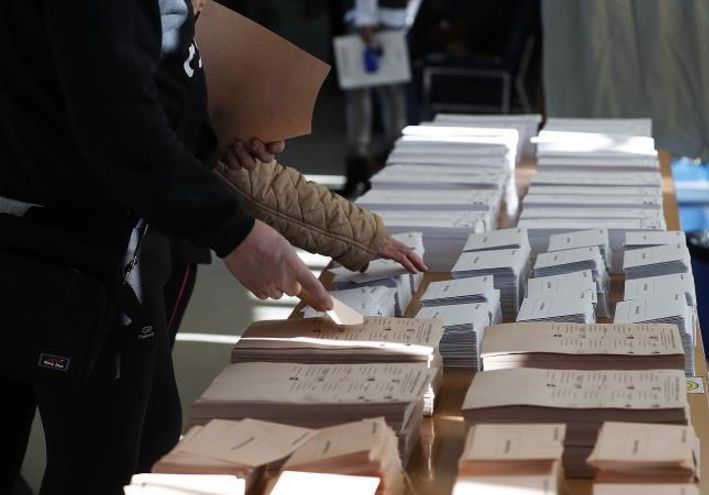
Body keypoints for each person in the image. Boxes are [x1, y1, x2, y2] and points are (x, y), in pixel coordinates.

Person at [0, 1, 423, 494]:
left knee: (143, 442)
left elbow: (130, 87)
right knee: (108, 464)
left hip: (89, 236)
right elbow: (117, 123)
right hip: (77, 251)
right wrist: (234, 232)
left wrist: (212, 136)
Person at [341, 0, 418, 198]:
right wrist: (366, 17)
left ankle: (388, 160)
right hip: (378, 17)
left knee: (390, 96)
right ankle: (360, 164)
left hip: (391, 18)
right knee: (372, 95)